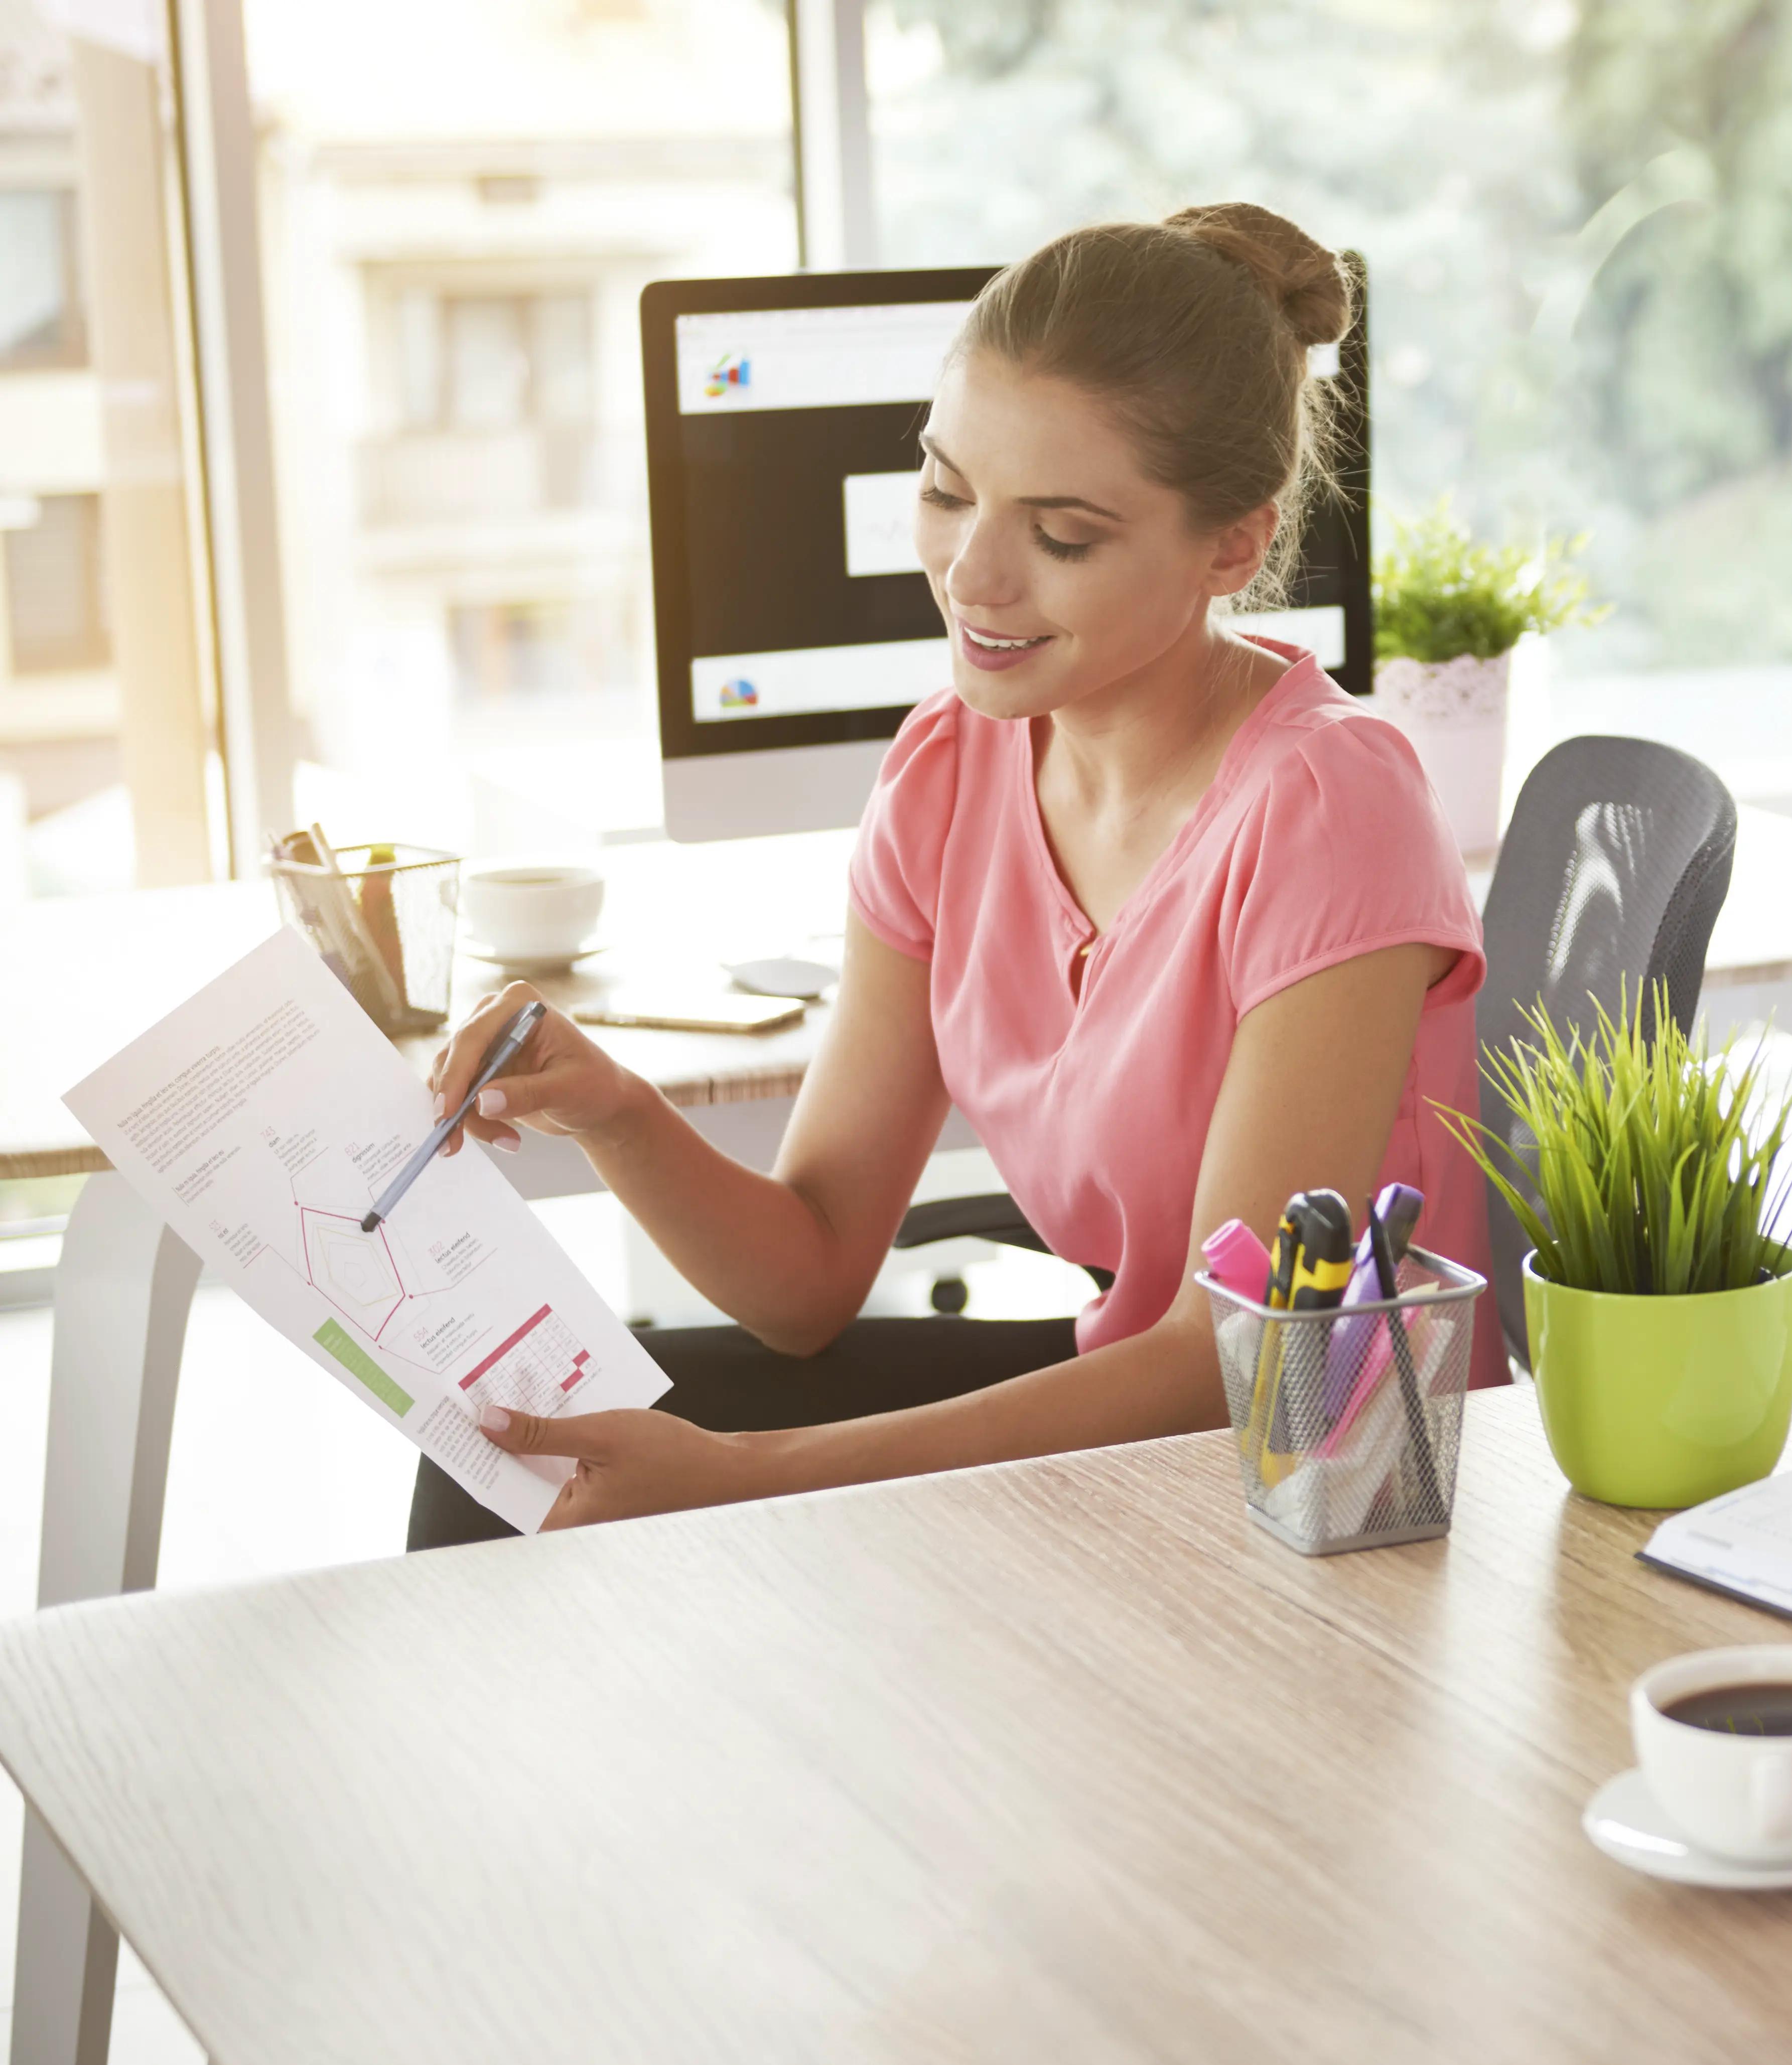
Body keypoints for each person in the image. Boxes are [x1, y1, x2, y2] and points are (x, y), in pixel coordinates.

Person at [409, 205, 1491, 1542]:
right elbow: (808, 1275)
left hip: (1324, 1480)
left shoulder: (1329, 803)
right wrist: (617, 1109)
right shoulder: (949, 767)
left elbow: (1236, 1360)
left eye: (1066, 534)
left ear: (1234, 546)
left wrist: (754, 1480)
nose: (970, 573)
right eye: (947, 488)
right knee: (497, 1457)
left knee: (662, 1497)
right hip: (1138, 1411)